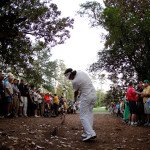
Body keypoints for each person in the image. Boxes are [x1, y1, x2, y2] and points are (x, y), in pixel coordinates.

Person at [64, 68, 97, 142]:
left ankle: (91, 133)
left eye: (69, 78)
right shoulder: (80, 71)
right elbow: (83, 86)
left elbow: (76, 92)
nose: (69, 79)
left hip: (86, 97)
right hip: (94, 95)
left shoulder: (75, 81)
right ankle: (87, 132)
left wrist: (75, 99)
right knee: (89, 114)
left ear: (70, 75)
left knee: (83, 116)